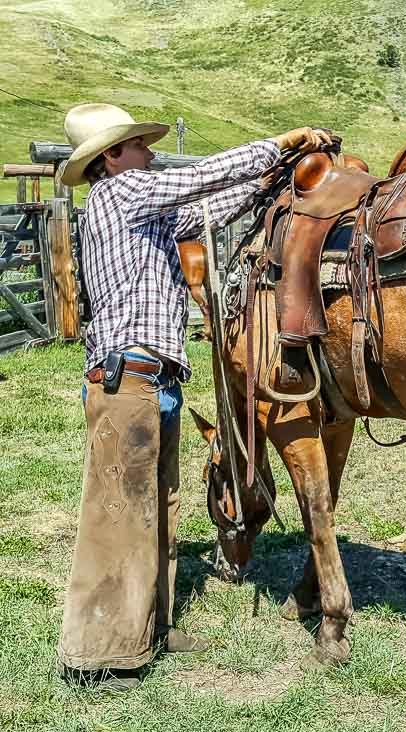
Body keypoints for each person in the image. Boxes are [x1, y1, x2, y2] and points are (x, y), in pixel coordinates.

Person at [56, 103, 330, 692]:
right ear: (111, 158)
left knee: (160, 506)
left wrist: (267, 183)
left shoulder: (144, 211)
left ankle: (149, 628)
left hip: (152, 379)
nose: (149, 153)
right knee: (121, 514)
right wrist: (280, 141)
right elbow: (199, 178)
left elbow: (207, 208)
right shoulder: (120, 195)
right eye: (137, 146)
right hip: (127, 378)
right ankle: (102, 651)